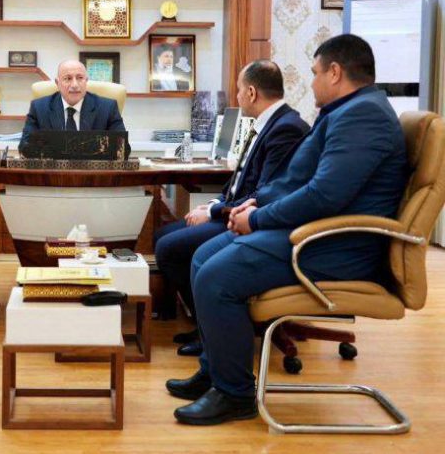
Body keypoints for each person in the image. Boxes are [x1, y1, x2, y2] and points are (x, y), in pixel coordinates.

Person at [169, 34, 408, 426]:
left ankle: (234, 394)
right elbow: (298, 183)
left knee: (216, 276)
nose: (311, 82)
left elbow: (324, 195)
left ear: (335, 72)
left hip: (333, 245)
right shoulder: (345, 111)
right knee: (203, 256)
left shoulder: (362, 117)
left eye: (315, 73)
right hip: (310, 232)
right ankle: (215, 372)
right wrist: (256, 204)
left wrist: (258, 219)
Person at [155, 60, 308, 358]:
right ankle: (208, 324)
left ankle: (214, 330)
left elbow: (264, 194)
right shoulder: (268, 123)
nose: (237, 96)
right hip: (235, 210)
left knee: (170, 248)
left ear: (251, 92)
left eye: (238, 90)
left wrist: (214, 212)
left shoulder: (286, 129)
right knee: (163, 236)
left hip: (252, 221)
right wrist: (215, 203)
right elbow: (242, 181)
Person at [18, 60, 126, 155]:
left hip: (93, 171)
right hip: (53, 171)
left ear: (86, 81)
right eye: (68, 78)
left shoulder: (107, 108)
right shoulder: (39, 108)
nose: (74, 85)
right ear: (57, 83)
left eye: (80, 78)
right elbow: (24, 147)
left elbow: (123, 149)